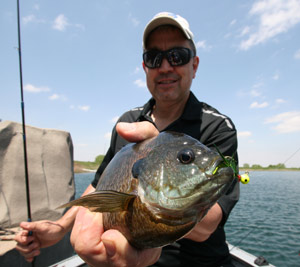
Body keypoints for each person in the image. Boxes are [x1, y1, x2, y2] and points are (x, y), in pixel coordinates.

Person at [15, 12, 239, 267]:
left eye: (178, 56)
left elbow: (208, 226)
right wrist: (60, 226)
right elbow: (101, 187)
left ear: (194, 65)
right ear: (145, 68)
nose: (165, 66)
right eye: (154, 58)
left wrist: (152, 200)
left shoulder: (219, 127)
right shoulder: (129, 121)